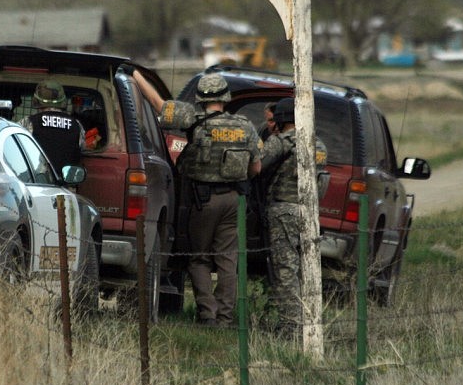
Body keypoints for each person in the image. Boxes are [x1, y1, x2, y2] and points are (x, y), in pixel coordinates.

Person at [126, 65, 261, 328]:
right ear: (225, 98)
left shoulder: (192, 117)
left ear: (200, 97)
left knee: (199, 257)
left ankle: (207, 315)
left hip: (203, 200)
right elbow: (256, 168)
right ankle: (225, 318)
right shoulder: (245, 126)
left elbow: (157, 104)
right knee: (227, 258)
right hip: (234, 200)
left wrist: (136, 75)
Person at [259, 97, 327, 337]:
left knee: (285, 271)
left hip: (283, 212)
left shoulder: (281, 142)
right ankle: (311, 321)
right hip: (309, 213)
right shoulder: (317, 144)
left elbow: (257, 167)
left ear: (281, 120)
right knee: (307, 270)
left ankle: (292, 327)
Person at [19, 80, 85, 172]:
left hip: (37, 182)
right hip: (66, 183)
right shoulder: (77, 125)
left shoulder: (28, 123)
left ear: (36, 100)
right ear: (63, 100)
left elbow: (15, 152)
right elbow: (81, 150)